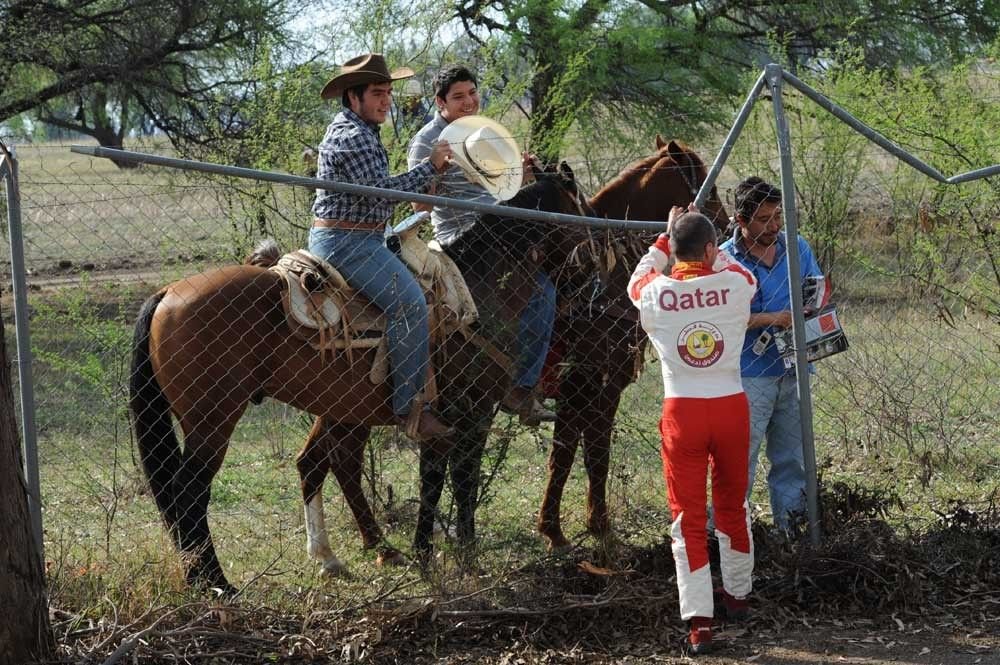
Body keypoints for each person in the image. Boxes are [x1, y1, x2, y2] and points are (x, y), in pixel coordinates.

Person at [628, 205, 757, 655]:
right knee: (732, 504)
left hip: (681, 410)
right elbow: (738, 270)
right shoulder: (735, 283)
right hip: (730, 406)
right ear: (709, 249)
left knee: (687, 518)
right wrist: (709, 244)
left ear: (673, 251)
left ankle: (700, 623)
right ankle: (738, 596)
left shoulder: (655, 293)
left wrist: (664, 239)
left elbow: (638, 277)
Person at [310, 53, 454, 441]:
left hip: (360, 236)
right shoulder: (353, 136)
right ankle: (408, 410)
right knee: (410, 304)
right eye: (377, 93)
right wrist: (431, 169)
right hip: (348, 243)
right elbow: (381, 195)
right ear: (353, 97)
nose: (386, 100)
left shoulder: (358, 131)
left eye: (388, 92)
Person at [407, 64, 555, 426]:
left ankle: (545, 377)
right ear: (440, 102)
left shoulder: (482, 132)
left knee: (552, 207)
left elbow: (499, 191)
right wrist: (434, 169)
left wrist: (521, 175)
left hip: (497, 230)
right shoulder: (428, 140)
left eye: (472, 93)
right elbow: (419, 208)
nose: (469, 101)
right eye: (458, 96)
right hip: (459, 237)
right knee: (540, 290)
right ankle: (521, 387)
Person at [719, 177, 824, 531]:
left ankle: (790, 536)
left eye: (778, 216)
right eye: (764, 219)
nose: (774, 226)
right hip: (748, 374)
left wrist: (811, 310)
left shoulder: (797, 248)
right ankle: (733, 539)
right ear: (740, 219)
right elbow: (718, 318)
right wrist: (772, 319)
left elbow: (816, 289)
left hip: (794, 367)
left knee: (792, 459)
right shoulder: (722, 261)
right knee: (739, 460)